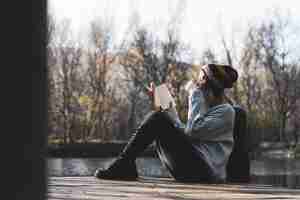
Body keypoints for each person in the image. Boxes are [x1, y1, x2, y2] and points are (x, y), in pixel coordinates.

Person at [94, 63, 239, 183]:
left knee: (159, 119)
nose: (196, 85)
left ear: (207, 86)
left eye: (199, 81)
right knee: (159, 118)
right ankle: (126, 163)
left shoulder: (226, 111)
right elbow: (186, 132)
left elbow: (191, 131)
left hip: (205, 173)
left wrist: (195, 96)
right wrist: (163, 103)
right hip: (195, 170)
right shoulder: (208, 110)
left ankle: (124, 164)